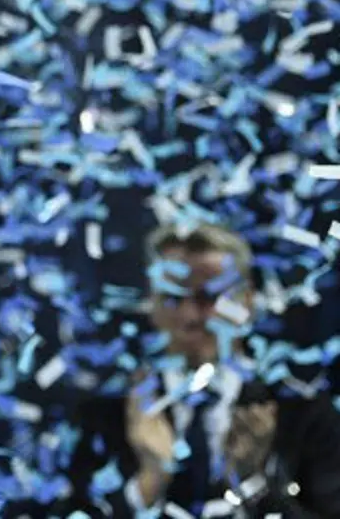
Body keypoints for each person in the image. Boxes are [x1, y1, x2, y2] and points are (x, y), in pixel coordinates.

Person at [56, 222, 340, 518]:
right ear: (152, 303)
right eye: (173, 298)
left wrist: (253, 486)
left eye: (209, 298)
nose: (190, 316)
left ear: (246, 301)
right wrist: (148, 482)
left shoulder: (305, 415)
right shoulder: (103, 417)